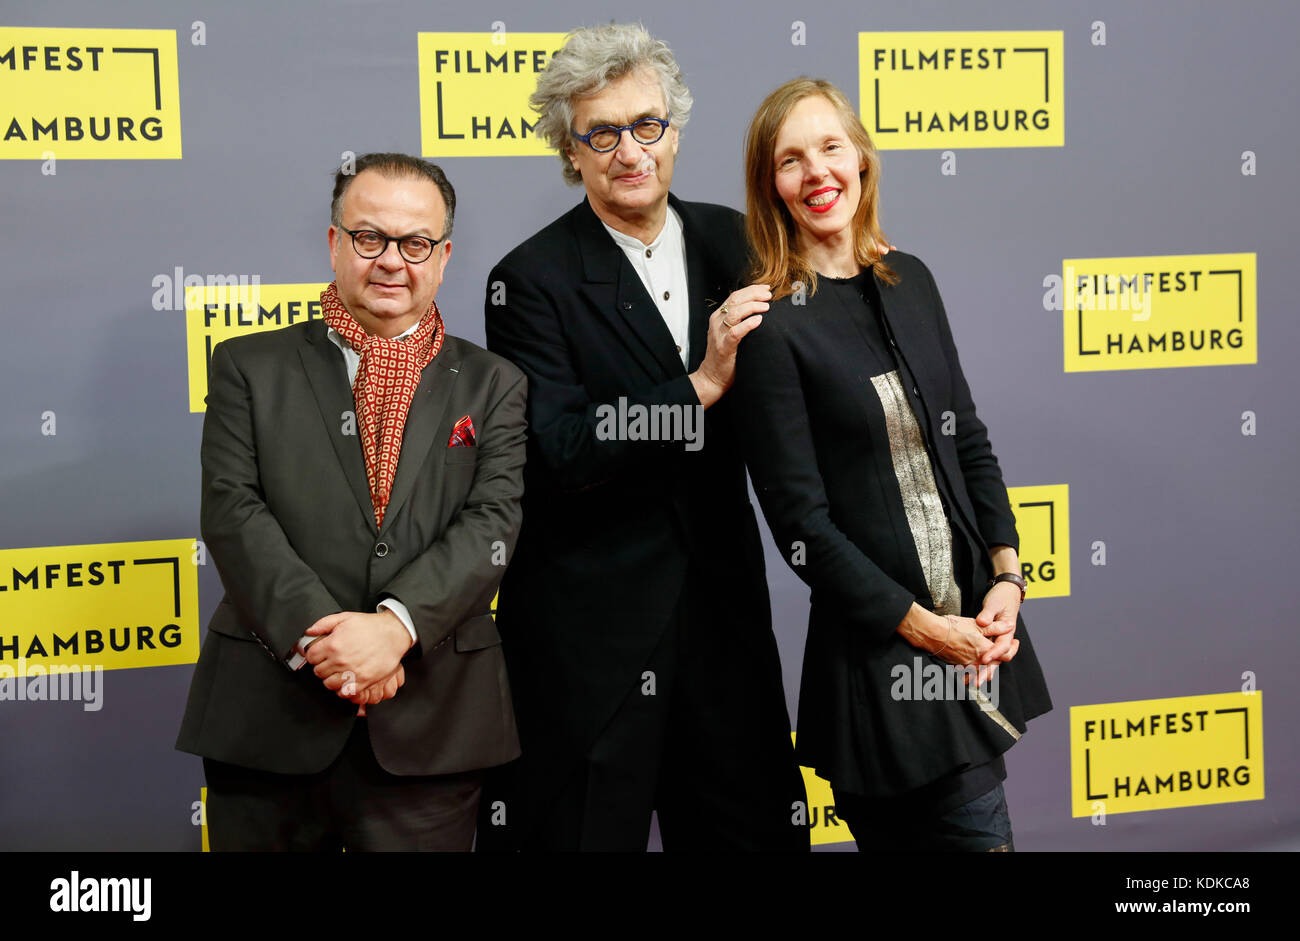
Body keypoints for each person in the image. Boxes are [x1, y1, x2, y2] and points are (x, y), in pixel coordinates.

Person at [478, 23, 807, 852]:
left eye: (647, 125)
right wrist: (697, 387)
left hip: (726, 632)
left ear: (673, 128)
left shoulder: (742, 242)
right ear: (572, 149)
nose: (631, 151)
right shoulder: (529, 281)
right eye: (603, 133)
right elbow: (558, 450)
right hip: (588, 649)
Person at [731, 78, 1052, 851]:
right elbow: (802, 526)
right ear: (769, 184)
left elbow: (966, 437)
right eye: (790, 160)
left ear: (863, 158)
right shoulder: (771, 325)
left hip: (971, 635)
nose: (817, 174)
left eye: (831, 147)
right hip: (875, 679)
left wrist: (1007, 574)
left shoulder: (911, 279)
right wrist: (927, 631)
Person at [176, 153, 527, 851]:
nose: (393, 260)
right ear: (335, 243)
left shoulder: (494, 384)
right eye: (371, 238)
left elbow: (492, 523)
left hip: (433, 727)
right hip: (269, 720)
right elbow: (233, 512)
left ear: (444, 255)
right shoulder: (248, 365)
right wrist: (329, 641)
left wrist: (393, 630)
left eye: (415, 243)